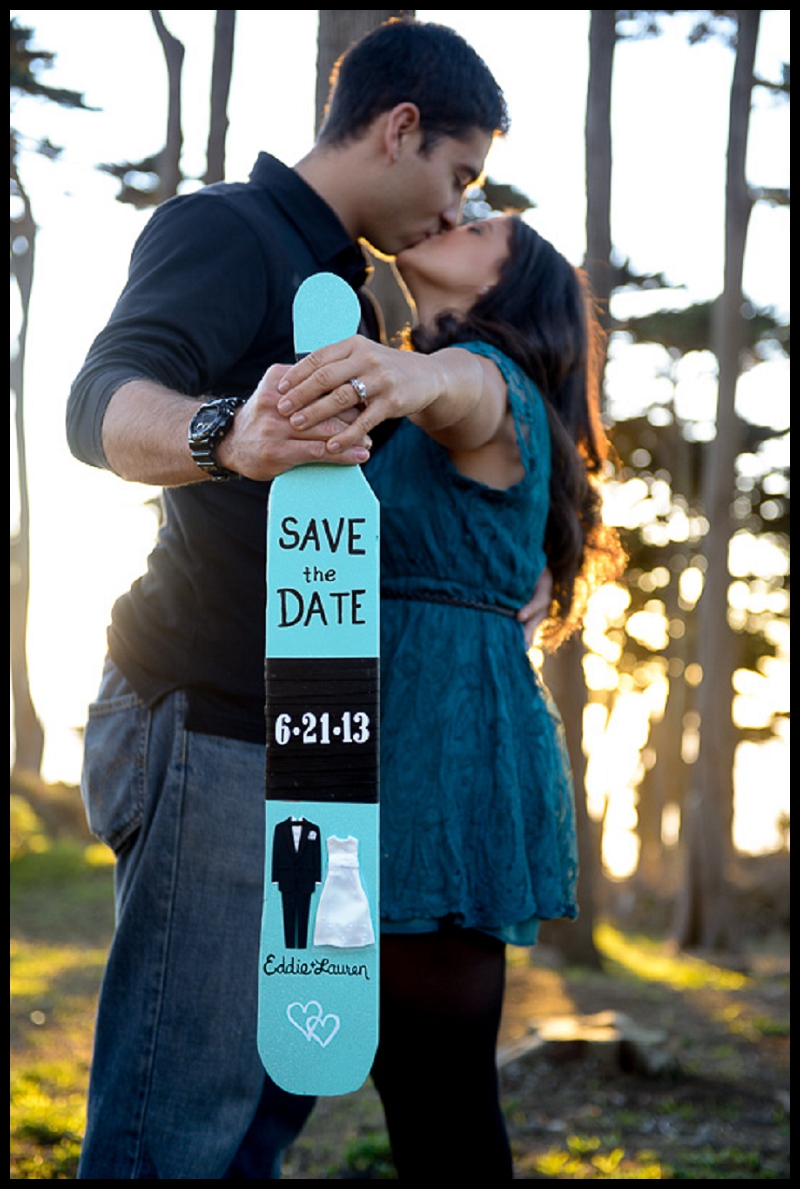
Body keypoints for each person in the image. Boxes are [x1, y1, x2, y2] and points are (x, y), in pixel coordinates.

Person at [66, 18, 553, 1181]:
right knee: (176, 1124)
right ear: (398, 127)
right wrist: (223, 435)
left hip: (317, 747)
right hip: (214, 716)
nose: (452, 207)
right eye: (457, 175)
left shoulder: (349, 296)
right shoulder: (228, 228)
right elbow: (100, 401)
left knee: (265, 1102)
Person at [276, 212, 626, 1177]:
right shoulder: (415, 390)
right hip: (362, 733)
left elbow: (455, 389)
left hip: (443, 751)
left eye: (480, 227)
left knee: (442, 1096)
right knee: (395, 1070)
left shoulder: (489, 382)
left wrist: (404, 374)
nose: (453, 219)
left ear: (505, 287)